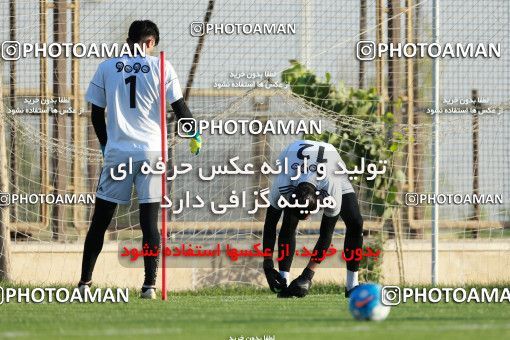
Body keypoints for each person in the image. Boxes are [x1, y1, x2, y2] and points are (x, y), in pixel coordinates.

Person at [78, 20, 201, 299]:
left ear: (129, 39)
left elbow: (97, 114)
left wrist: (106, 145)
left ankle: (84, 283)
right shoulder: (161, 66)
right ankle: (149, 286)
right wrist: (194, 133)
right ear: (150, 42)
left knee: (101, 220)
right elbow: (180, 107)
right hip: (151, 153)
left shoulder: (107, 67)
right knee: (149, 221)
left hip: (118, 153)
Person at [262, 139, 363, 298]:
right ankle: (283, 282)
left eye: (308, 214)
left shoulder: (331, 188)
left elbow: (326, 234)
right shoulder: (283, 183)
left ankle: (352, 286)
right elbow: (270, 225)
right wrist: (267, 265)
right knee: (288, 222)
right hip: (293, 158)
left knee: (356, 222)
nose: (307, 219)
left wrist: (307, 275)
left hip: (332, 164)